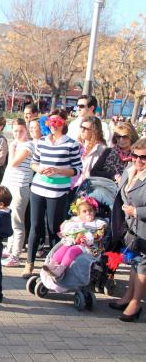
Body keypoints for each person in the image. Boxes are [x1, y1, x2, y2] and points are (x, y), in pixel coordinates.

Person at [23, 109, 82, 278]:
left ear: (64, 123)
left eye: (57, 122)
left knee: (54, 228)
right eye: (50, 122)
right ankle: (29, 263)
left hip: (58, 191)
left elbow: (77, 169)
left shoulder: (71, 144)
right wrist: (39, 169)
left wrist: (58, 170)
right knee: (35, 226)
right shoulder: (42, 141)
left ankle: (54, 264)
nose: (53, 126)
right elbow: (33, 163)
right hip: (38, 188)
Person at [109, 138, 146, 322]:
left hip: (144, 228)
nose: (138, 160)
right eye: (135, 155)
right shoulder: (129, 171)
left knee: (142, 265)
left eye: (144, 157)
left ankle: (136, 302)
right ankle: (128, 297)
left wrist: (136, 211)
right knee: (134, 261)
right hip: (131, 228)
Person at [42, 196, 106, 279]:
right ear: (79, 214)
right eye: (84, 211)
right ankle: (53, 264)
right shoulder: (75, 221)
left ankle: (60, 269)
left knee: (72, 250)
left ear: (94, 212)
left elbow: (98, 236)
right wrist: (71, 234)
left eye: (90, 211)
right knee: (63, 248)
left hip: (88, 246)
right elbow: (66, 230)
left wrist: (86, 236)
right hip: (73, 241)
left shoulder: (98, 223)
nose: (88, 213)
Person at [1, 119, 34, 267]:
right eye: (15, 131)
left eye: (21, 131)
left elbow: (13, 163)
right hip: (9, 184)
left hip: (20, 187)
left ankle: (16, 255)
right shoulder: (16, 144)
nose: (18, 134)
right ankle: (9, 248)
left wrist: (12, 145)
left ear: (26, 131)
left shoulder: (28, 145)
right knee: (9, 219)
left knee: (17, 222)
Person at [75, 116, 123, 188]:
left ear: (94, 131)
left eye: (86, 129)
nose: (82, 130)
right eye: (81, 127)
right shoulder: (77, 146)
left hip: (89, 188)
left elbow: (95, 172)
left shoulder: (102, 149)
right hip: (72, 185)